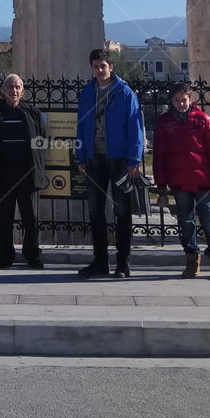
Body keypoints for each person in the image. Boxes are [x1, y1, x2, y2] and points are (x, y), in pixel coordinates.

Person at [76, 49, 144, 279]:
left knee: (122, 212)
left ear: (111, 66)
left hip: (119, 159)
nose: (99, 69)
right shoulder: (87, 92)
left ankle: (123, 262)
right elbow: (81, 125)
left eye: (103, 65)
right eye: (95, 66)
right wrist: (81, 156)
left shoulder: (125, 93)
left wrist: (134, 160)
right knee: (95, 211)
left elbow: (136, 128)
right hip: (95, 158)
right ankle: (100, 261)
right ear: (91, 68)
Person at [153, 82, 210, 279]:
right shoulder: (164, 122)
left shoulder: (204, 120)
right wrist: (161, 185)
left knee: (208, 220)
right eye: (177, 100)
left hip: (202, 180)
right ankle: (191, 259)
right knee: (185, 222)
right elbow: (159, 156)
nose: (180, 104)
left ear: (191, 99)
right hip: (179, 181)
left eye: (184, 100)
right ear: (172, 100)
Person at [0, 74, 47, 269]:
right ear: (3, 90)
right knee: (5, 217)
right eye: (10, 87)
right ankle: (5, 255)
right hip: (3, 174)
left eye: (17, 87)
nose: (14, 90)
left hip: (27, 174)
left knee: (31, 217)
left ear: (22, 91)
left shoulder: (32, 113)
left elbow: (42, 137)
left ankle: (32, 255)